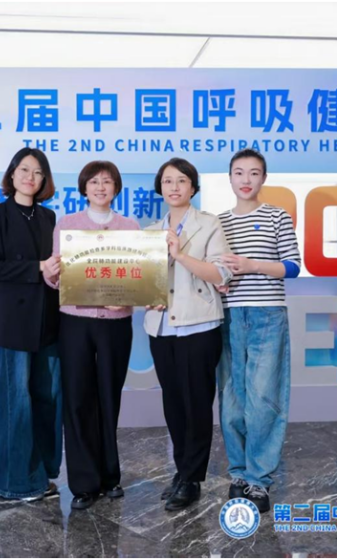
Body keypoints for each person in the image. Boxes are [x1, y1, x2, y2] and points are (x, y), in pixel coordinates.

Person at [44, 160, 141, 510]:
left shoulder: (130, 227)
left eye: (107, 181)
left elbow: (139, 275)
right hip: (75, 321)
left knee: (109, 398)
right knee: (78, 398)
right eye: (94, 181)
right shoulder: (67, 225)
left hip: (116, 323)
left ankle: (110, 476)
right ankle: (84, 483)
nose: (101, 187)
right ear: (84, 188)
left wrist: (128, 297)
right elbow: (55, 278)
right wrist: (51, 273)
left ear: (116, 188)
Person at [143, 157, 232, 511]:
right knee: (174, 403)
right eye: (167, 181)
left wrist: (179, 255)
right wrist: (146, 297)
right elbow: (143, 280)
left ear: (193, 187)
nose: (174, 187)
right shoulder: (150, 232)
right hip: (161, 326)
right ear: (160, 188)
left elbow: (221, 274)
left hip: (199, 324)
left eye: (181, 180)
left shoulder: (209, 224)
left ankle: (192, 479)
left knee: (196, 403)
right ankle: (181, 471)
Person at [216, 149, 301, 514]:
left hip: (267, 315)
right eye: (239, 172)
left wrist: (252, 265)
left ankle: (259, 480)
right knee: (232, 399)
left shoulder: (277, 216)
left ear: (263, 178)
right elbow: (213, 270)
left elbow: (293, 267)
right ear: (230, 178)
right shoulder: (218, 222)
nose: (246, 179)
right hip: (228, 316)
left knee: (263, 398)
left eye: (253, 173)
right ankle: (238, 473)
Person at [0, 147, 62, 502]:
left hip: (48, 318)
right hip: (12, 322)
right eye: (25, 169)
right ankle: (14, 482)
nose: (31, 177)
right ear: (12, 174)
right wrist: (38, 267)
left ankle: (41, 474)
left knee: (47, 396)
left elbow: (56, 267)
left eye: (38, 172)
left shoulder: (49, 217)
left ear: (44, 180)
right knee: (18, 399)